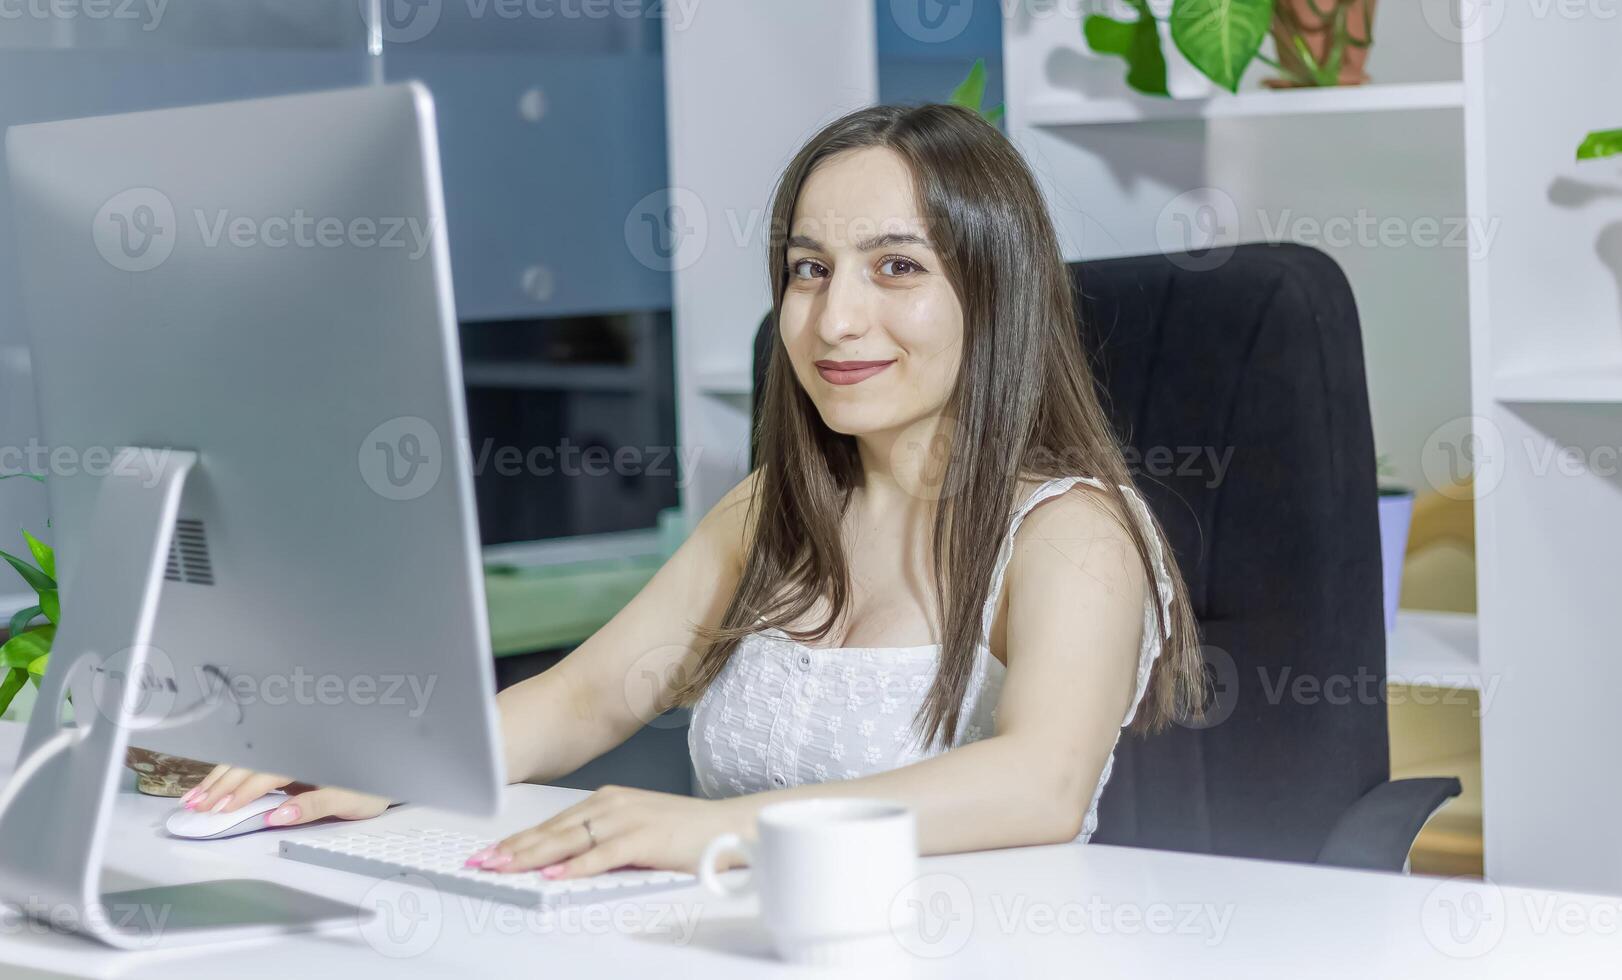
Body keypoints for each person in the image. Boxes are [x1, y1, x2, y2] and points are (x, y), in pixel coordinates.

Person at [181, 103, 1206, 880]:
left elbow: (1040, 781)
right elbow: (583, 697)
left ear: (993, 291)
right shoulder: (772, 510)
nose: (835, 319)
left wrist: (705, 830)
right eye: (808, 270)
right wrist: (388, 760)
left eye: (895, 267)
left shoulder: (1071, 532)